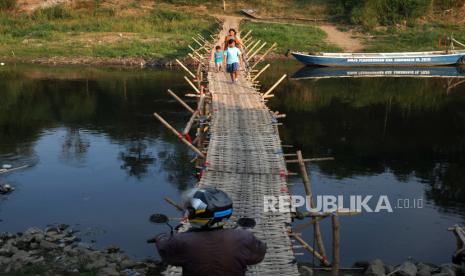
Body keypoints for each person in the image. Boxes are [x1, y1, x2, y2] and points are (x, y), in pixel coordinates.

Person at [154, 187, 267, 276]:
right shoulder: (244, 237)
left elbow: (167, 253)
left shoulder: (181, 240)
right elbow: (258, 255)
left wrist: (160, 237)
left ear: (194, 215)